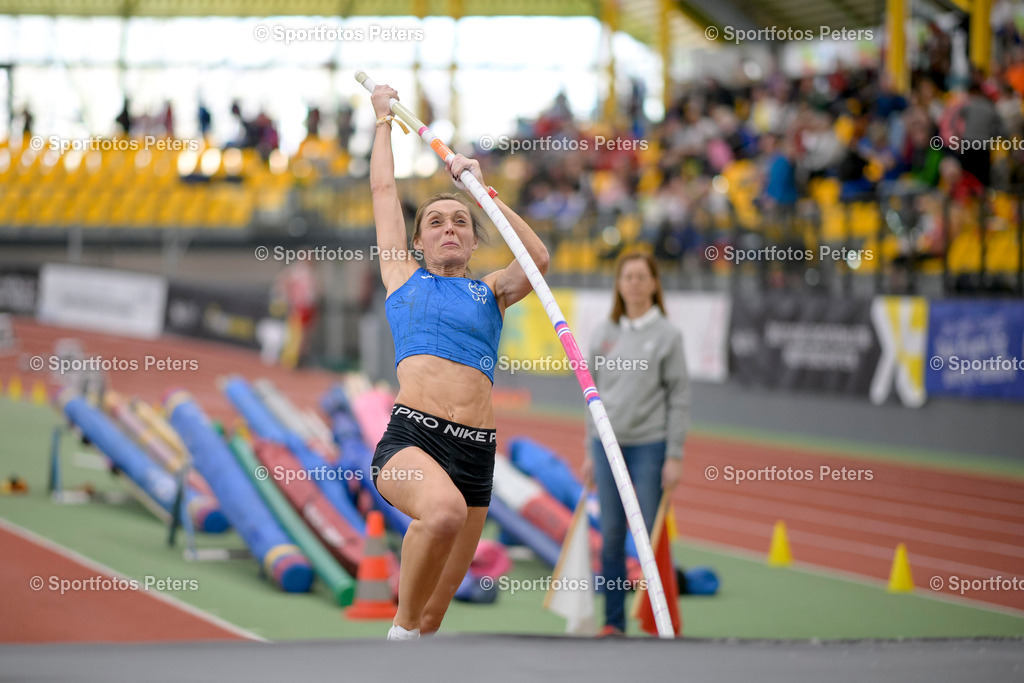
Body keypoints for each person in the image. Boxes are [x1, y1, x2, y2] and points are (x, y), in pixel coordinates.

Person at [368, 84, 549, 641]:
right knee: (440, 515)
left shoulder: (491, 291)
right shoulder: (403, 276)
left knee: (436, 617)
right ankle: (394, 638)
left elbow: (537, 259)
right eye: (437, 223)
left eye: (461, 223)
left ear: (473, 244)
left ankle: (412, 640)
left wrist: (485, 194)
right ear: (418, 243)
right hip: (413, 442)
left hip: (476, 455)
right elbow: (381, 189)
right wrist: (381, 122)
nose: (450, 227)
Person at [582, 250, 689, 637]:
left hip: (650, 447)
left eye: (642, 277)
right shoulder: (604, 333)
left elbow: (679, 397)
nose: (635, 284)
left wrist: (673, 455)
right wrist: (589, 451)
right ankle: (613, 623)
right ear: (619, 284)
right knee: (610, 536)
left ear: (654, 284)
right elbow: (591, 396)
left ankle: (659, 623)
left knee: (648, 536)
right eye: (628, 277)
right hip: (606, 449)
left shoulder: (668, 336)